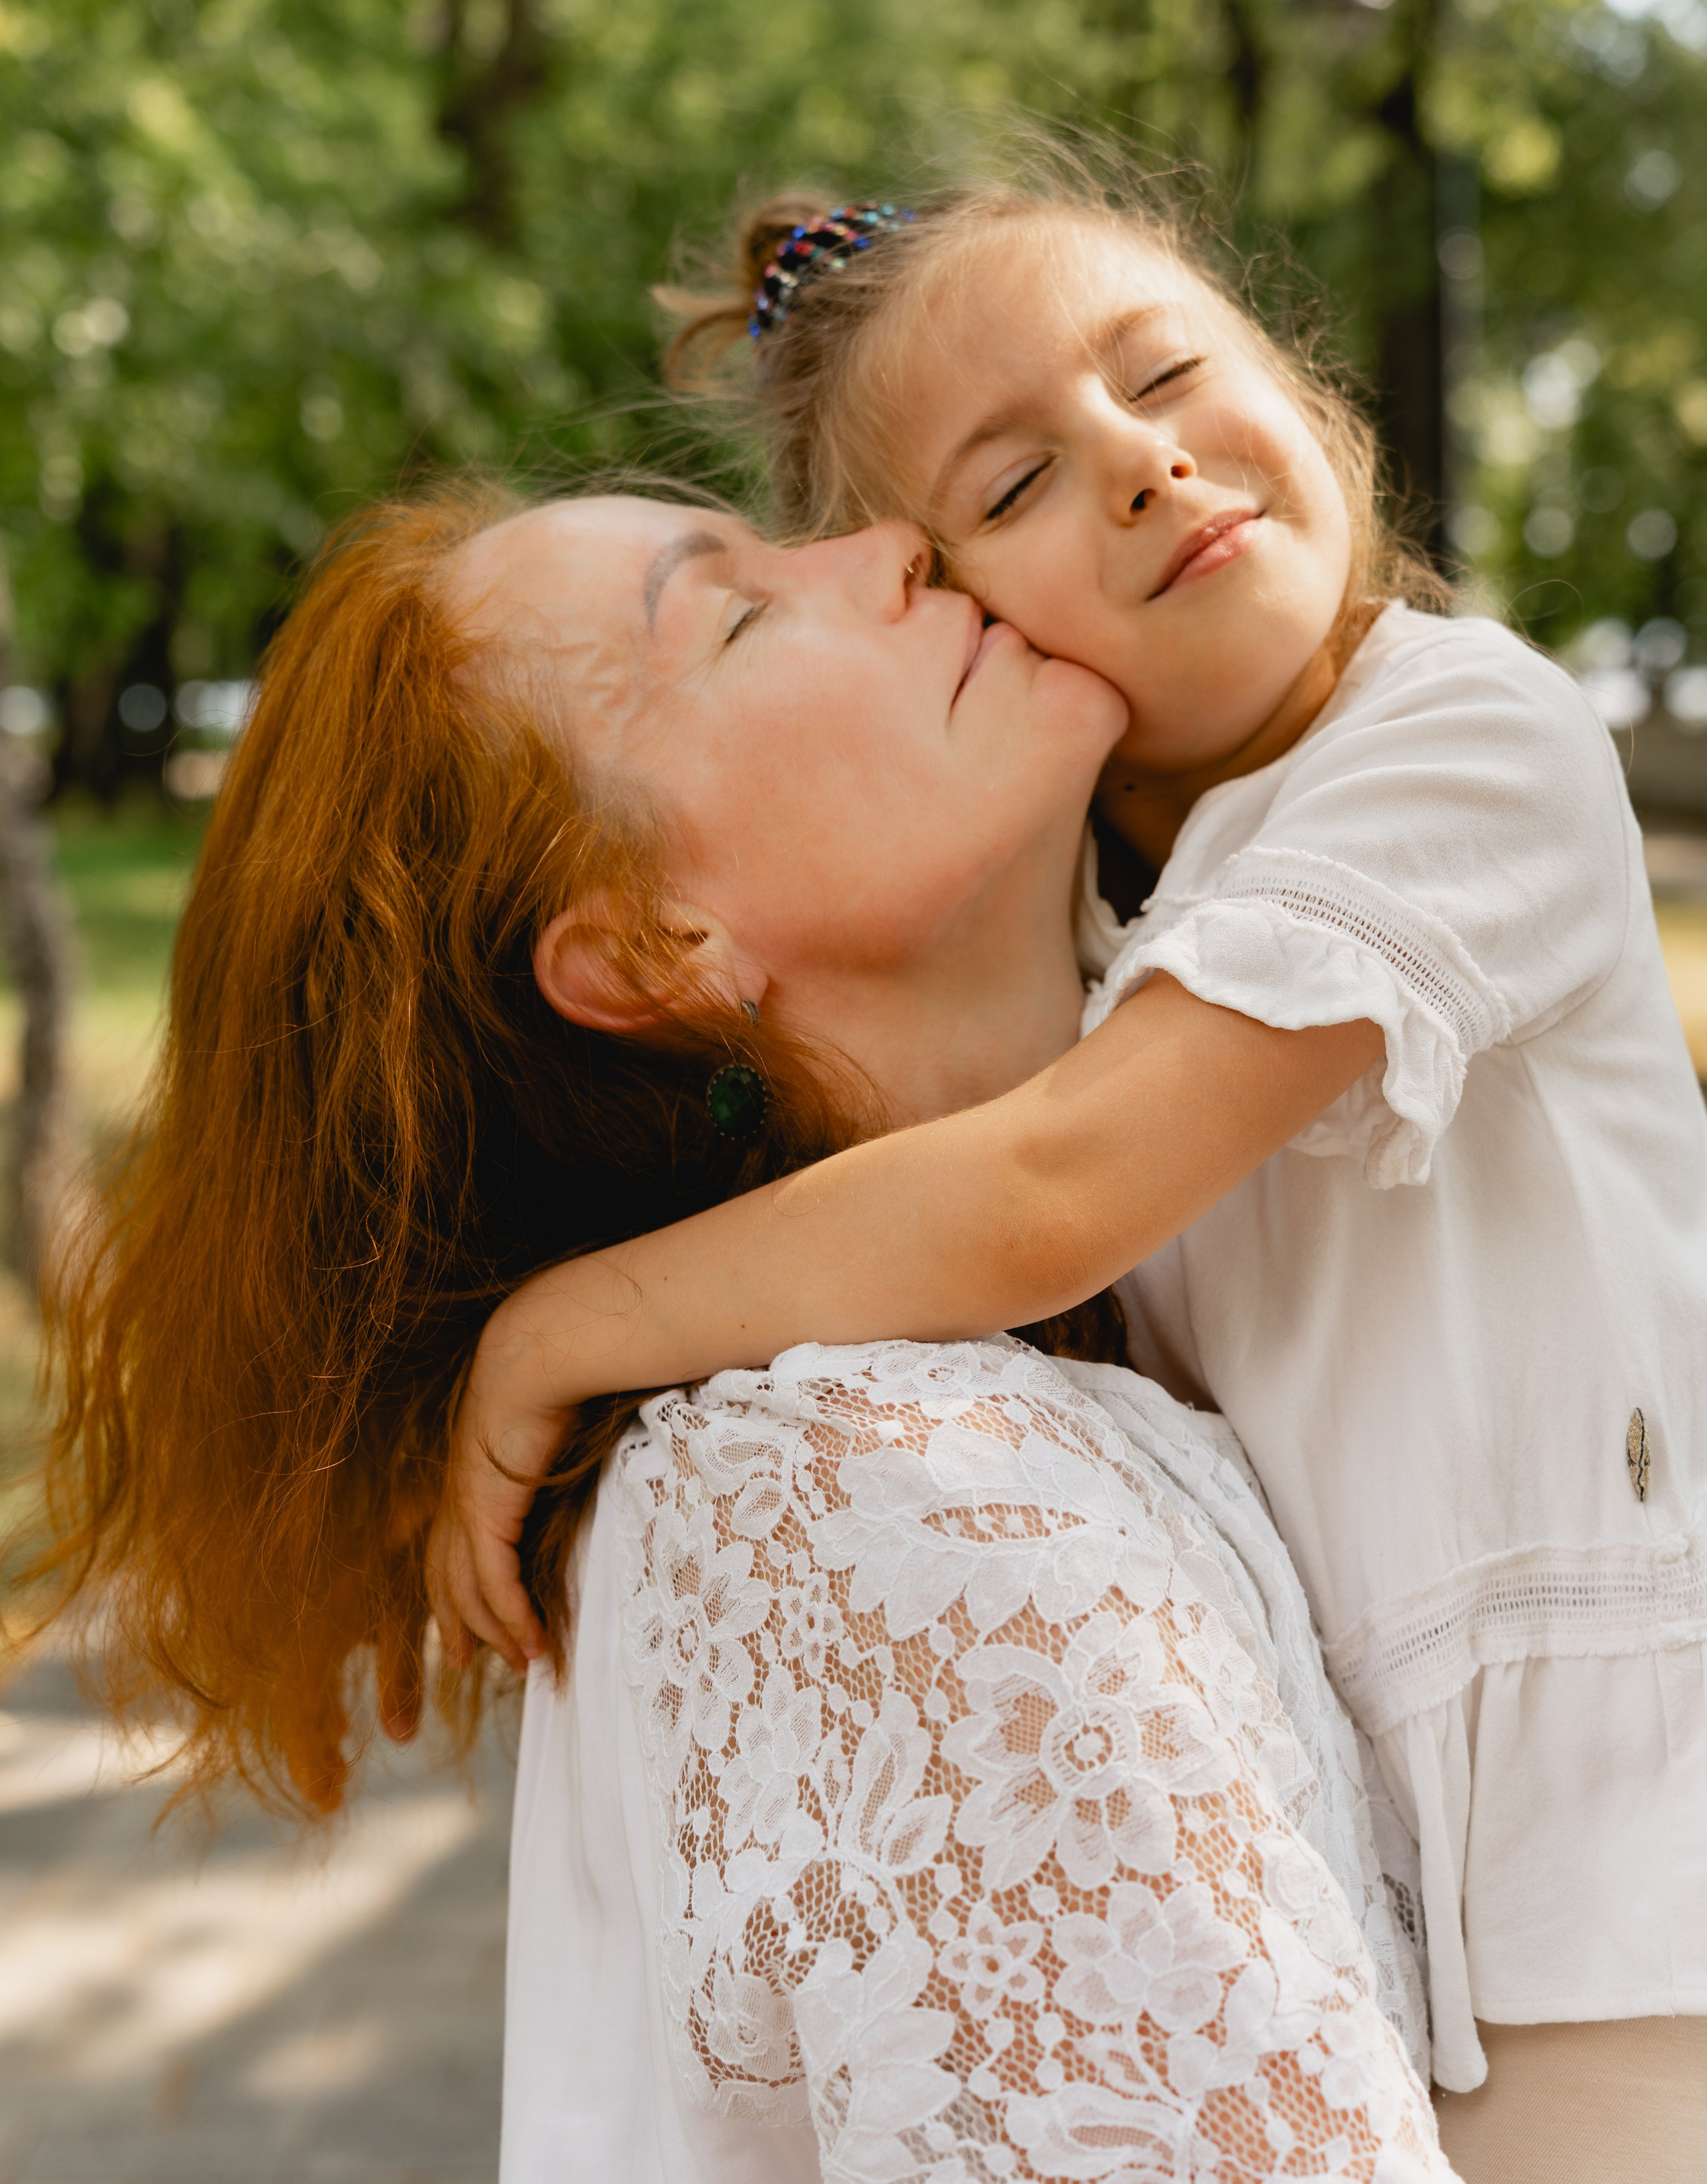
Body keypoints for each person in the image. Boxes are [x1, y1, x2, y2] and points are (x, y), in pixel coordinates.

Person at [430, 161, 1707, 2182]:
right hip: (1423, 1913)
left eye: (1169, 370)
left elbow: (1049, 1195)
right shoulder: (1127, 938)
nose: (1140, 464)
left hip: (1635, 1884)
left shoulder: (1460, 739)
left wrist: (568, 1327)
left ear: (1299, 383)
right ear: (952, 608)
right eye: (1012, 490)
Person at [30, 478, 1448, 2180]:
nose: (894, 543)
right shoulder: (889, 1504)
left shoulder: (1105, 1321)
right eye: (742, 608)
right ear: (650, 946)